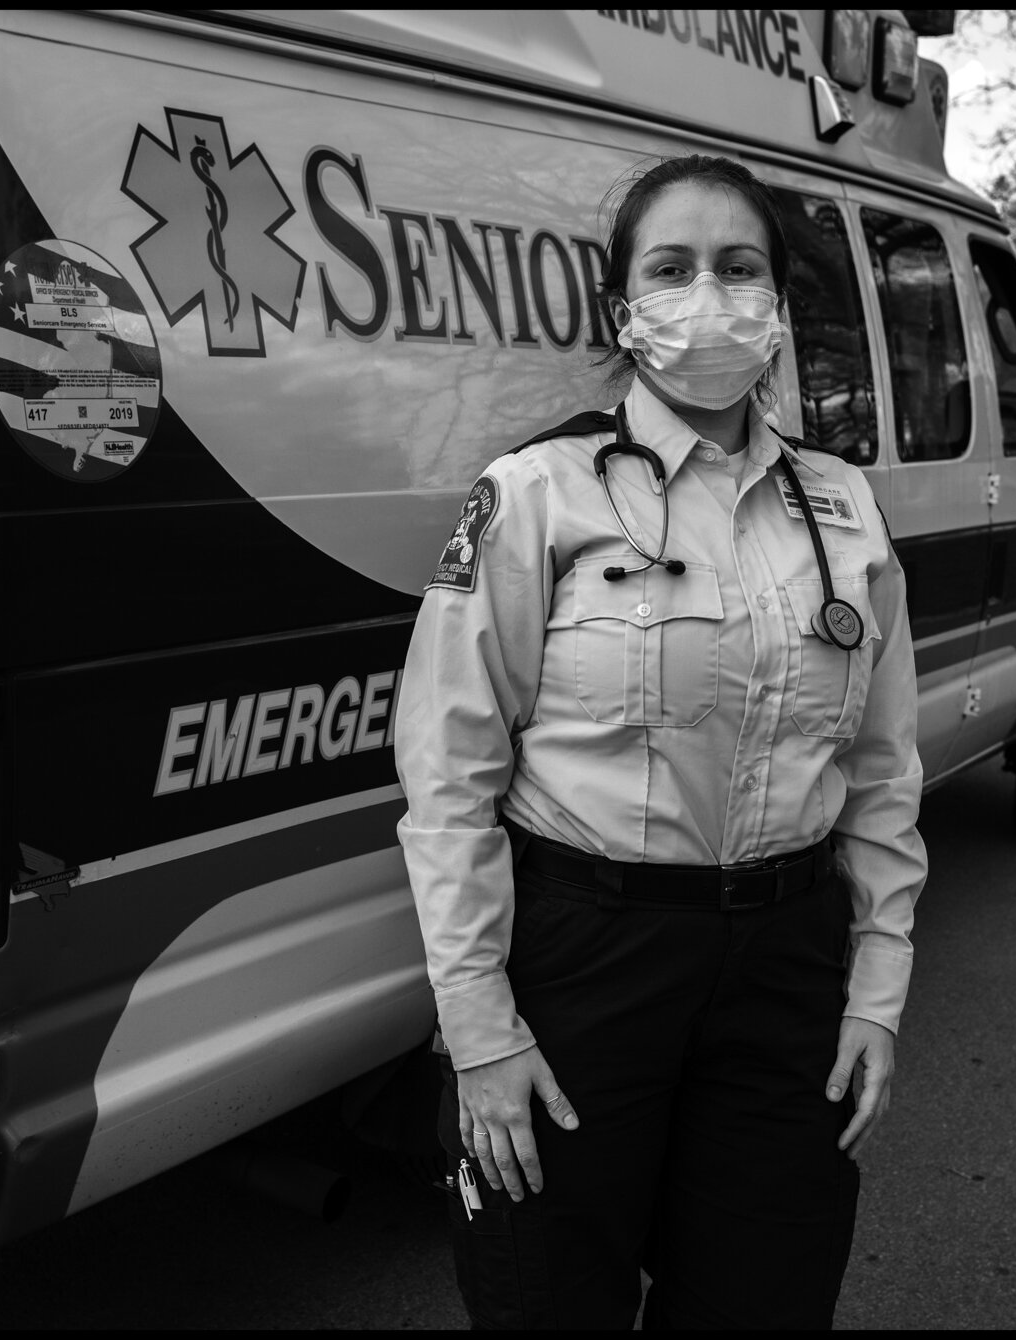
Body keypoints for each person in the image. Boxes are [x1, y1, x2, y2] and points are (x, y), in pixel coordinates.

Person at [393, 155, 928, 1330]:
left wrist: (873, 992)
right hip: (583, 966)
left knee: (762, 1300)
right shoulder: (537, 493)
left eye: (738, 268)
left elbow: (883, 773)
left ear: (777, 309)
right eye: (671, 268)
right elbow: (447, 783)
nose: (708, 295)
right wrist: (478, 1032)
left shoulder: (843, 509)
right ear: (621, 312)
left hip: (784, 970)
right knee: (545, 1301)